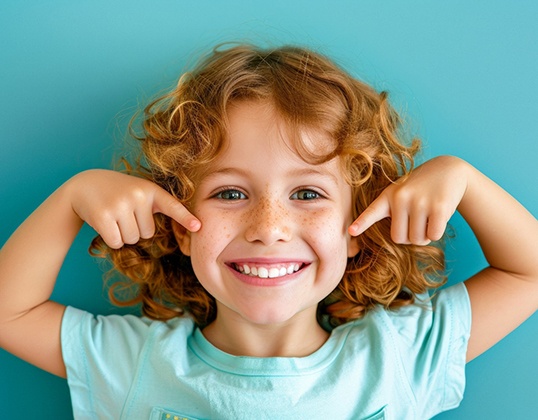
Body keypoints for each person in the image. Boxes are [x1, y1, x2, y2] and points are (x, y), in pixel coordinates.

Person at [0, 44, 536, 419]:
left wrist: (461, 176)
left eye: (307, 194)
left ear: (359, 225)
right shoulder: (132, 364)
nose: (269, 228)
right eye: (230, 193)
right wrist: (75, 196)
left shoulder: (400, 356)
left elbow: (527, 272)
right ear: (180, 227)